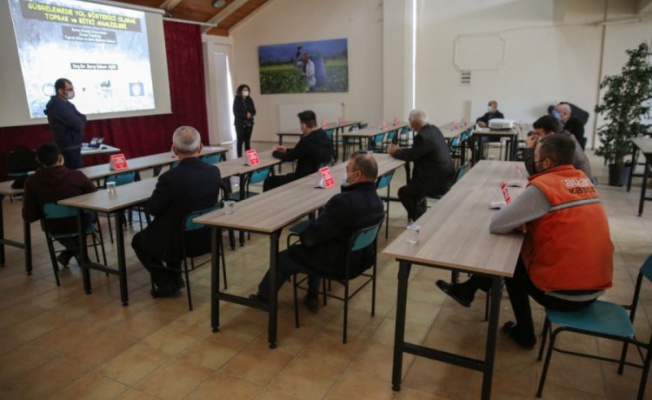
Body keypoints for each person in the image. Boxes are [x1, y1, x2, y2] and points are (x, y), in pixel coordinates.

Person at [436, 134, 613, 349]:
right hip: (595, 286)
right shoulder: (583, 181)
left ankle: (524, 331)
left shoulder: (545, 187)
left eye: (535, 156)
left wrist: (521, 220)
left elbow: (498, 224)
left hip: (565, 294)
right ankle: (467, 290)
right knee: (518, 253)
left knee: (509, 265)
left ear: (546, 163)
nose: (532, 160)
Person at [251, 152, 384, 312]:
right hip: (359, 260)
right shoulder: (377, 200)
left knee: (285, 257)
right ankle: (312, 293)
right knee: (319, 246)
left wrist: (303, 234)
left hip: (338, 263)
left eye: (348, 169)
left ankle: (263, 297)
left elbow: (312, 237)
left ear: (358, 174)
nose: (346, 173)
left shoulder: (344, 202)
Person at [131, 126, 222, 297]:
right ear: (201, 147)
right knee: (174, 223)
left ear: (174, 150)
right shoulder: (214, 171)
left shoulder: (169, 178)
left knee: (139, 241)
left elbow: (153, 209)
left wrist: (147, 202)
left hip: (179, 242)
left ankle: (165, 283)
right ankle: (176, 277)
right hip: (207, 236)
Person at [22, 142, 97, 267]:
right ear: (61, 158)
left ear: (38, 160)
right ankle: (79, 252)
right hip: (82, 222)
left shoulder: (31, 182)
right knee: (87, 216)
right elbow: (95, 197)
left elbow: (29, 216)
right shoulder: (77, 176)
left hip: (53, 225)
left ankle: (71, 252)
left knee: (51, 224)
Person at [387, 109, 455, 221]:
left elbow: (412, 155)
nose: (409, 122)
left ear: (415, 122)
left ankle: (420, 219)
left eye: (409, 120)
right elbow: (417, 151)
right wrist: (401, 150)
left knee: (404, 192)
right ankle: (420, 212)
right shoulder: (434, 129)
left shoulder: (422, 136)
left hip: (436, 181)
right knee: (413, 188)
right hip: (445, 176)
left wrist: (395, 152)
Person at [263, 110, 332, 191]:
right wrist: (287, 150)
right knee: (286, 176)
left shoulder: (306, 141)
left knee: (269, 181)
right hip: (320, 177)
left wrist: (275, 152)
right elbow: (301, 152)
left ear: (303, 126)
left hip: (303, 179)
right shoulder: (325, 136)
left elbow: (289, 158)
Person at [523, 115, 591, 177]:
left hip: (575, 184)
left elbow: (536, 172)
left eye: (538, 134)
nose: (536, 137)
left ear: (550, 134)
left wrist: (529, 148)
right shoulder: (563, 137)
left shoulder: (560, 146)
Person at [44, 78, 87, 169]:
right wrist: (79, 121)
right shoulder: (57, 105)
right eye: (69, 89)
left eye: (72, 89)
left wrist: (80, 121)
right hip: (68, 146)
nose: (72, 92)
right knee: (74, 174)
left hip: (74, 144)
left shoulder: (67, 104)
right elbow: (78, 124)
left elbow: (83, 117)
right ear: (60, 91)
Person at [232, 84, 256, 158]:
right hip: (240, 124)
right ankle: (239, 156)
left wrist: (250, 114)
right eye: (244, 90)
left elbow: (254, 111)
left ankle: (248, 157)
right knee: (240, 139)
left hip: (249, 123)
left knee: (247, 140)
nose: (246, 91)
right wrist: (245, 115)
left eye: (247, 90)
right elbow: (236, 113)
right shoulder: (237, 100)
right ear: (240, 91)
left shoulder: (249, 100)